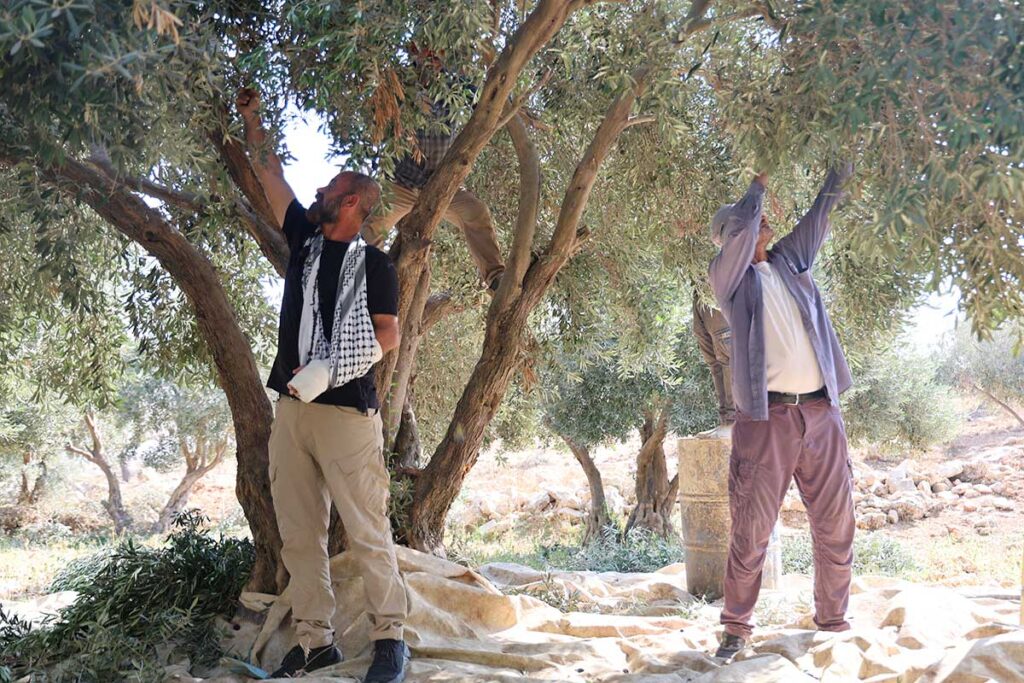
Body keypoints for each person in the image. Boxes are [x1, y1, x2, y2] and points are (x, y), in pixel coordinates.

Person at [237, 87, 410, 682]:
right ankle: (315, 642)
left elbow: (388, 334)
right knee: (299, 533)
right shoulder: (305, 244)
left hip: (347, 417)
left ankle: (390, 638)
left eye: (330, 188)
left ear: (352, 202)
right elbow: (272, 178)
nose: (318, 192)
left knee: (367, 530)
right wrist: (253, 120)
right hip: (291, 414)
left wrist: (329, 369)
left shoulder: (376, 266)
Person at [707, 164, 856, 661]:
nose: (763, 220)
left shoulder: (790, 261)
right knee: (751, 528)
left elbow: (820, 214)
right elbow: (742, 231)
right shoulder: (729, 279)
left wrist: (842, 166)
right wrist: (758, 183)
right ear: (731, 236)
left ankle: (833, 621)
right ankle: (736, 629)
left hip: (821, 413)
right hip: (765, 421)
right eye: (751, 220)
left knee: (836, 522)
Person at [360, 45, 505, 291]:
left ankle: (495, 278)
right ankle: (366, 283)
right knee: (372, 226)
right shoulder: (400, 83)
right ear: (414, 52)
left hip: (440, 183)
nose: (433, 59)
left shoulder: (454, 86)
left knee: (475, 212)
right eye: (426, 53)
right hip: (402, 183)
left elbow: (483, 103)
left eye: (438, 54)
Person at [692, 292, 735, 436]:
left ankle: (734, 422)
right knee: (714, 363)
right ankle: (725, 421)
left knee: (728, 358)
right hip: (700, 293)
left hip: (719, 291)